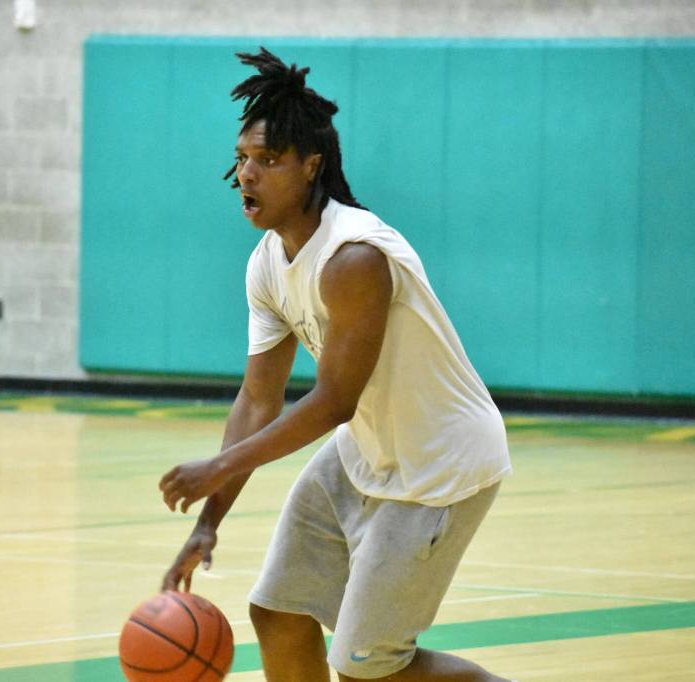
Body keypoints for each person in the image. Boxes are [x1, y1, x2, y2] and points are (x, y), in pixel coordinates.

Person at [159, 47, 513, 682]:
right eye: (243, 158)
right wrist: (208, 522)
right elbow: (258, 400)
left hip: (440, 463)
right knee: (279, 612)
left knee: (370, 669)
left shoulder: (354, 257)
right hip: (366, 451)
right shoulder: (267, 263)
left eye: (268, 161)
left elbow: (332, 401)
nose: (246, 174)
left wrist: (216, 467)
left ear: (311, 166)